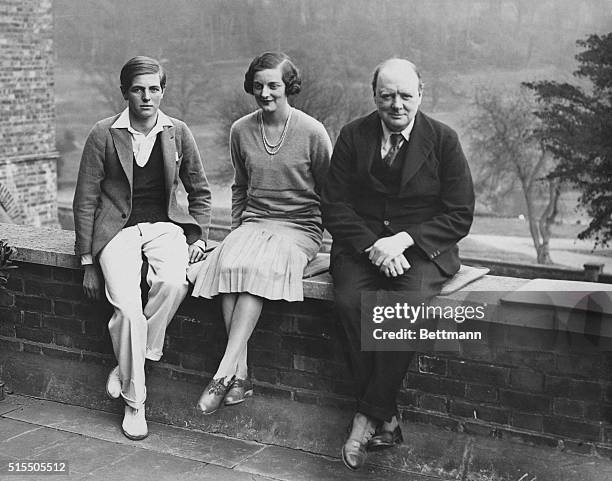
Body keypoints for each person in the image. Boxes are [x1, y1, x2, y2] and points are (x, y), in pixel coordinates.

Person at [321, 58, 474, 470]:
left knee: (400, 311)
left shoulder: (444, 140)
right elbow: (335, 205)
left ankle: (364, 419)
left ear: (421, 94)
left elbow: (459, 214)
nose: (397, 105)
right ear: (375, 96)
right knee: (351, 304)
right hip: (361, 249)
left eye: (406, 95)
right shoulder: (353, 136)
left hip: (422, 252)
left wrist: (404, 241)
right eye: (387, 96)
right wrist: (374, 246)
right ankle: (385, 417)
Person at [73, 56, 211, 440]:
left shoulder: (177, 132)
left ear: (162, 91)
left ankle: (130, 362)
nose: (146, 97)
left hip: (166, 227)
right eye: (138, 89)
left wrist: (197, 237)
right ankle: (135, 403)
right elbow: (85, 199)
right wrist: (88, 261)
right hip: (116, 231)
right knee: (128, 308)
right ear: (125, 92)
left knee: (173, 283)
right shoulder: (103, 133)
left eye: (154, 89)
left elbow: (199, 190)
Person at [188, 52, 332, 414]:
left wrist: (336, 246)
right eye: (258, 86)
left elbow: (332, 194)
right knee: (231, 265)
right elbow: (240, 187)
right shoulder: (241, 130)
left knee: (251, 272)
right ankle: (242, 375)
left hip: (299, 228)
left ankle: (224, 372)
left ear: (289, 87)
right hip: (255, 224)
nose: (265, 93)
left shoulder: (312, 132)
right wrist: (236, 236)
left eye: (273, 86)